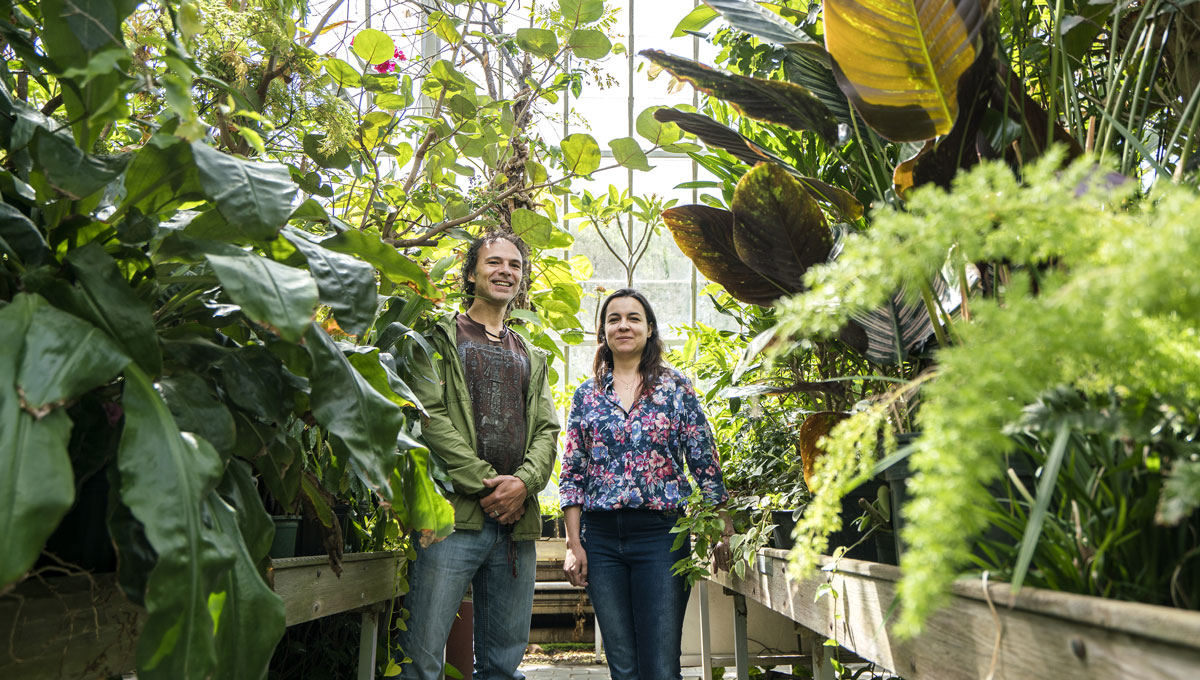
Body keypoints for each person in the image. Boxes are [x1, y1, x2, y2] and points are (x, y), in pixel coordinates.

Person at [397, 231, 561, 680]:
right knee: (422, 658)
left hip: (515, 527)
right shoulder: (437, 338)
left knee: (503, 665)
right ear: (472, 273)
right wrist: (490, 483)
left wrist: (523, 484)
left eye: (514, 265)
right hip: (453, 518)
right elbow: (428, 416)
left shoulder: (531, 352)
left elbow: (547, 429)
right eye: (494, 262)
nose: (505, 271)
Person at [559, 288, 732, 680]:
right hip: (601, 540)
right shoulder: (586, 396)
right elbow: (572, 472)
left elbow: (703, 459)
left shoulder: (676, 388)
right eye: (614, 318)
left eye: (634, 318)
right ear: (602, 332)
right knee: (623, 665)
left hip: (661, 537)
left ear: (649, 329)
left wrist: (724, 527)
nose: (624, 325)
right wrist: (574, 545)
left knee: (660, 664)